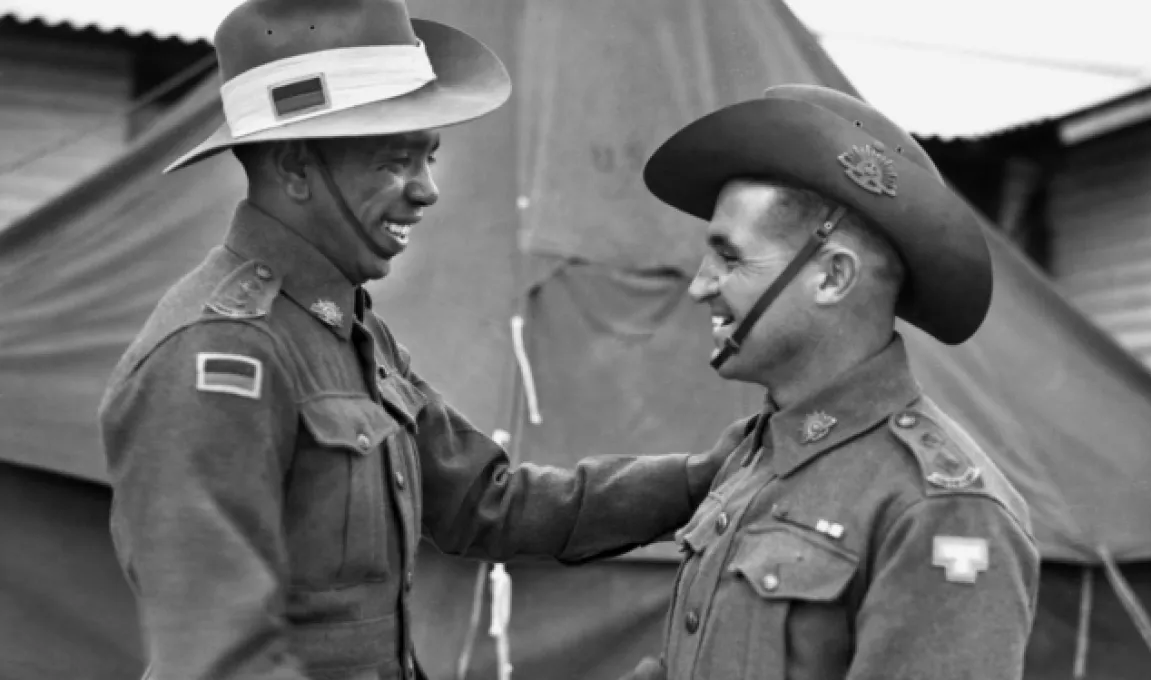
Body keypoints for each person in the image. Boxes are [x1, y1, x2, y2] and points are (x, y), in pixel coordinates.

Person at [97, 2, 748, 679]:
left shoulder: (345, 326)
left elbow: (490, 503)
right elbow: (220, 658)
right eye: (396, 160)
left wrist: (707, 476)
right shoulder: (219, 354)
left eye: (428, 156)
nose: (427, 191)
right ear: (294, 166)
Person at [618, 84, 1041, 680]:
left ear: (833, 277)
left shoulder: (943, 510)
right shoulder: (756, 455)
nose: (700, 285)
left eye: (731, 258)